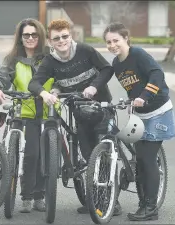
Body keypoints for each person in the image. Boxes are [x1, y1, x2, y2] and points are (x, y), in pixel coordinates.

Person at [27, 19, 122, 215]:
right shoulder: (50, 61)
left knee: (104, 153)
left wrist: (94, 86)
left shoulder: (85, 51)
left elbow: (107, 69)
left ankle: (113, 201)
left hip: (101, 106)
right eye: (56, 38)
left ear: (71, 36)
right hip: (78, 112)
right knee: (88, 156)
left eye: (65, 36)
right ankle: (94, 200)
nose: (61, 41)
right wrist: (45, 93)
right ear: (51, 42)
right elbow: (34, 83)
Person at [103, 22, 175, 221]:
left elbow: (157, 74)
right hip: (140, 114)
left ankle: (151, 208)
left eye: (116, 40)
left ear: (126, 38)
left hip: (158, 111)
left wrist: (144, 96)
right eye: (108, 42)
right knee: (139, 161)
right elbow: (130, 87)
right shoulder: (117, 64)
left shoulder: (139, 55)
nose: (112, 45)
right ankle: (144, 204)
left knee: (146, 158)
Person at [0, 18, 53, 213]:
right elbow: (0, 76)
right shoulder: (13, 59)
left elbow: (61, 77)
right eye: (26, 34)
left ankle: (40, 195)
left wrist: (57, 91)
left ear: (40, 36)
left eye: (34, 34)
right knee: (31, 155)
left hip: (48, 112)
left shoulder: (50, 57)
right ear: (20, 37)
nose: (30, 38)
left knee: (46, 156)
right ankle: (27, 197)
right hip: (24, 113)